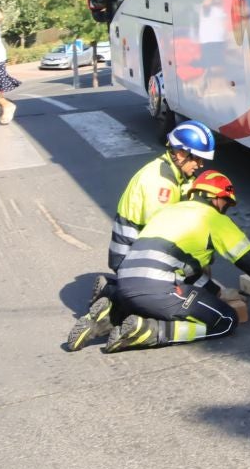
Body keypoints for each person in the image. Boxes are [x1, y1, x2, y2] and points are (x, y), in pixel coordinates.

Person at [96, 169, 250, 354]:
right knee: (225, 321)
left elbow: (187, 269)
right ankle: (150, 331)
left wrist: (218, 292)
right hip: (155, 288)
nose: (226, 208)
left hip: (125, 280)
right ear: (217, 198)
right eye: (226, 203)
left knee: (164, 295)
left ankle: (113, 310)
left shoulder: (171, 210)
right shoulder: (214, 219)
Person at [62, 120, 217, 351]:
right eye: (197, 158)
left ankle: (115, 297)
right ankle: (116, 302)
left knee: (195, 287)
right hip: (134, 260)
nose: (200, 165)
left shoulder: (172, 173)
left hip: (133, 255)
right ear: (180, 153)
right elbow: (167, 244)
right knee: (189, 301)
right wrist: (203, 282)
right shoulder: (160, 186)